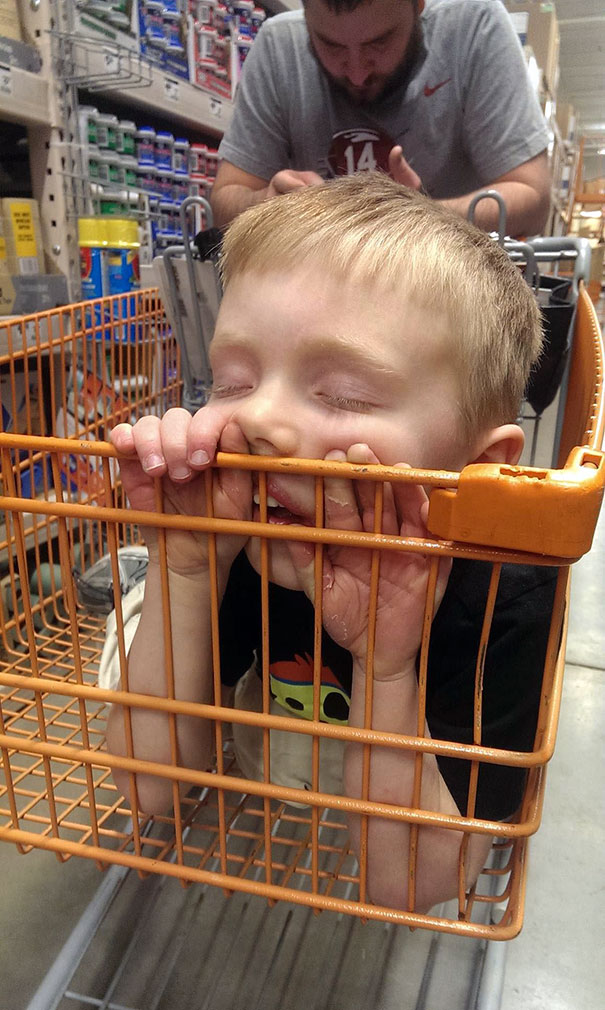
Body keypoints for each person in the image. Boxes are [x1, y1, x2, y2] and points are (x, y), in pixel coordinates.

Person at [103, 175, 557, 914]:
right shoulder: (254, 531)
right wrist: (185, 565)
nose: (261, 420)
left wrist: (387, 666)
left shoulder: (507, 596)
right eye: (232, 381)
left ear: (476, 468)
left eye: (343, 394)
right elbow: (150, 789)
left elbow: (413, 885)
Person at [211, 0, 551, 237]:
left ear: (418, 6)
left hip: (453, 296)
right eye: (331, 45)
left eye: (380, 42)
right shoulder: (276, 46)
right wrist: (268, 203)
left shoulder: (476, 27)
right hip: (319, 294)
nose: (357, 74)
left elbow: (534, 199)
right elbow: (225, 199)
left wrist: (418, 218)